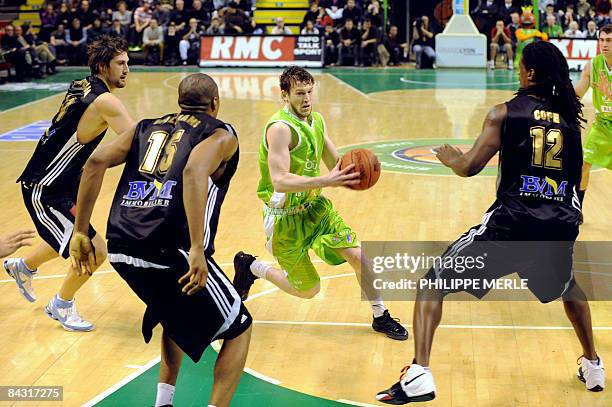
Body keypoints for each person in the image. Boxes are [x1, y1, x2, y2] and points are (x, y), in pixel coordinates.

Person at [376, 40, 605, 404]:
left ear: (529, 73)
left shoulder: (505, 112)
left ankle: (419, 373)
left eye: (520, 65)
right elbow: (575, 182)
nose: (516, 70)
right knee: (568, 288)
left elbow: (470, 168)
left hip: (510, 227)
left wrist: (451, 157)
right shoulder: (570, 121)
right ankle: (594, 365)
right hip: (558, 226)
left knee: (432, 284)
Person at [69, 73, 252, 407]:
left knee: (173, 311)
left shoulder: (143, 127)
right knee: (240, 326)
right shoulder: (220, 133)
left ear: (179, 101)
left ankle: (163, 402)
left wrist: (80, 231)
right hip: (171, 247)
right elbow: (195, 172)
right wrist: (197, 248)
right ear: (215, 103)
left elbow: (94, 161)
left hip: (122, 247)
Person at [232, 66, 408, 341]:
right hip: (284, 221)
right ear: (285, 95)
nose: (306, 99)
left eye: (310, 92)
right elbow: (279, 180)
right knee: (309, 290)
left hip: (316, 210)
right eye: (299, 93)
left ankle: (380, 314)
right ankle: (252, 267)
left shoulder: (317, 121)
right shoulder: (280, 129)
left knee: (359, 256)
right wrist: (327, 181)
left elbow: (335, 165)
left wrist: (361, 170)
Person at [3, 36, 134, 332]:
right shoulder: (106, 101)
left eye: (128, 63)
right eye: (121, 64)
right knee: (93, 248)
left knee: (66, 235)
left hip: (58, 184)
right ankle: (61, 305)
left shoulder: (81, 83)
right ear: (103, 66)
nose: (128, 69)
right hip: (45, 189)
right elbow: (137, 141)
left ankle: (23, 267)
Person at [573, 25, 612, 221]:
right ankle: (576, 209)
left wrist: (609, 92)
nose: (605, 45)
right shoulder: (592, 65)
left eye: (609, 41)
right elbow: (577, 94)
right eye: (602, 40)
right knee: (583, 166)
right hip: (603, 126)